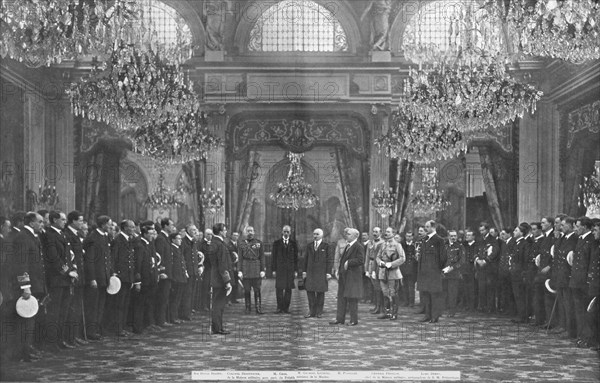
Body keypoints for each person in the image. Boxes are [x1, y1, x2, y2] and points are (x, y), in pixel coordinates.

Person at [11, 212, 46, 361]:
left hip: (35, 284)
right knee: (25, 321)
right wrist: (25, 286)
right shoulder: (23, 237)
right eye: (41, 222)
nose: (43, 224)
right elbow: (21, 264)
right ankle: (22, 353)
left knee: (30, 320)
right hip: (27, 287)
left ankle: (27, 349)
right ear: (32, 223)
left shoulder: (31, 236)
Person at [44, 211, 75, 349]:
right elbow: (54, 258)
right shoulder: (49, 235)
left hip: (65, 280)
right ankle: (51, 342)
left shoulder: (62, 234)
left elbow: (67, 256)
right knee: (54, 312)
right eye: (62, 219)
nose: (64, 222)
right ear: (54, 220)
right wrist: (67, 272)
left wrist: (72, 270)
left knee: (63, 311)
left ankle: (60, 339)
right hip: (57, 279)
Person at [83, 215, 113, 340]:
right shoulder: (93, 238)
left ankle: (98, 329)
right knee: (93, 306)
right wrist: (92, 278)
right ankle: (91, 331)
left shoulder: (105, 236)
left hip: (104, 276)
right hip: (96, 277)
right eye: (109, 224)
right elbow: (90, 260)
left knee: (101, 305)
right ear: (103, 224)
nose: (111, 226)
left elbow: (107, 258)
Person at [330, 228, 364, 326]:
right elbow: (342, 260)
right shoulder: (347, 245)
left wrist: (349, 262)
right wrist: (338, 271)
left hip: (353, 277)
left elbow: (361, 260)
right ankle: (339, 319)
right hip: (344, 276)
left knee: (352, 299)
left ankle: (354, 320)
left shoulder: (358, 246)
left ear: (355, 236)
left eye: (349, 234)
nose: (346, 235)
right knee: (341, 298)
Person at [417, 220, 447, 323]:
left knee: (434, 295)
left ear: (433, 227)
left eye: (427, 227)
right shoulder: (425, 239)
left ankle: (435, 316)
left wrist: (438, 270)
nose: (425, 229)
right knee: (426, 294)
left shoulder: (439, 240)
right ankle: (427, 315)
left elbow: (443, 257)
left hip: (434, 273)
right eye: (425, 226)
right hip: (424, 272)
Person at [110, 220, 135, 336]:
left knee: (125, 304)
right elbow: (114, 258)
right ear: (125, 228)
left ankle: (122, 327)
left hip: (127, 276)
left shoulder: (128, 240)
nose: (133, 229)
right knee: (119, 304)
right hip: (120, 276)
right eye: (131, 227)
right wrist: (114, 273)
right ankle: (117, 329)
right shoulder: (118, 240)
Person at [207, 223, 233, 335]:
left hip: (215, 277)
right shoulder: (220, 244)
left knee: (218, 304)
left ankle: (217, 327)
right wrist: (227, 281)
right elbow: (222, 265)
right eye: (225, 230)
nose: (226, 232)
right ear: (221, 232)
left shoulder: (214, 243)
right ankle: (217, 328)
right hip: (220, 279)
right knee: (219, 305)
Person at [375, 227, 405, 320]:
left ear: (393, 233)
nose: (386, 233)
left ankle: (394, 313)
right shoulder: (383, 244)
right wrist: (380, 262)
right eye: (386, 232)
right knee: (385, 293)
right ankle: (387, 312)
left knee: (393, 293)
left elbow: (402, 258)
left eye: (388, 232)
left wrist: (391, 264)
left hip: (393, 273)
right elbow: (378, 256)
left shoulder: (397, 245)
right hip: (382, 272)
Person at [303, 228, 333, 318]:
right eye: (314, 234)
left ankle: (319, 312)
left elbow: (329, 260)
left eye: (317, 234)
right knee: (310, 292)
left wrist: (328, 272)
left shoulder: (326, 246)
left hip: (321, 273)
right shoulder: (309, 246)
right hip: (310, 273)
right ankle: (311, 311)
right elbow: (305, 259)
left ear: (321, 236)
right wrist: (304, 271)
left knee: (320, 293)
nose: (315, 236)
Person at [238, 226, 265, 314]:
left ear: (254, 232)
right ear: (245, 233)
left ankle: (258, 307)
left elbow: (262, 257)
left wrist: (262, 270)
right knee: (247, 290)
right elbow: (240, 258)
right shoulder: (241, 244)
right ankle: (247, 307)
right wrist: (240, 270)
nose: (250, 233)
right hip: (246, 268)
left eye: (251, 231)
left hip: (256, 267)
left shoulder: (259, 243)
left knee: (257, 289)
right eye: (248, 231)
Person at [272, 225, 298, 314]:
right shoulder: (276, 243)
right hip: (280, 270)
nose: (286, 233)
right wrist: (274, 270)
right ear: (282, 232)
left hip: (290, 270)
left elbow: (296, 258)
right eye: (284, 231)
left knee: (288, 289)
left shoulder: (293, 243)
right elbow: (273, 257)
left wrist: (296, 270)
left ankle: (286, 308)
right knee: (279, 289)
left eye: (288, 232)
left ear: (290, 233)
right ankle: (279, 307)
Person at [154, 218, 176, 327]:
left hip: (168, 273)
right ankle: (160, 321)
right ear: (165, 226)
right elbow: (159, 258)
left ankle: (163, 320)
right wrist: (160, 272)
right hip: (164, 274)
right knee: (161, 298)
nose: (172, 227)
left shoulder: (165, 238)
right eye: (171, 225)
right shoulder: (160, 239)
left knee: (165, 298)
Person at [443, 230, 465, 318]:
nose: (453, 237)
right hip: (444, 273)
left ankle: (452, 311)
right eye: (451, 236)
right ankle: (444, 309)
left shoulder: (459, 246)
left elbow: (462, 260)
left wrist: (452, 268)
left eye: (455, 236)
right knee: (444, 292)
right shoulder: (444, 246)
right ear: (448, 236)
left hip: (454, 273)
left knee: (453, 293)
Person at [169, 232, 188, 325]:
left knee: (178, 298)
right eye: (178, 239)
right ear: (173, 240)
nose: (180, 240)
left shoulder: (178, 249)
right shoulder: (172, 249)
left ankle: (175, 316)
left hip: (181, 277)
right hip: (176, 278)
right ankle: (172, 317)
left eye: (181, 239)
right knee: (174, 299)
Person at [364, 227, 384, 314]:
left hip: (378, 266)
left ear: (381, 233)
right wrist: (366, 269)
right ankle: (376, 306)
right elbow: (367, 256)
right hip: (371, 264)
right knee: (375, 287)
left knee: (379, 287)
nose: (374, 233)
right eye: (373, 232)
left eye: (376, 232)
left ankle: (380, 307)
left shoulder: (383, 243)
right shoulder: (370, 242)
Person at [400, 231, 418, 307]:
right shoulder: (402, 245)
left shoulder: (415, 245)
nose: (408, 237)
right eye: (407, 236)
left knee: (411, 286)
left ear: (412, 237)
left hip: (412, 269)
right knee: (405, 285)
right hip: (404, 268)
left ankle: (411, 302)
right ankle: (405, 301)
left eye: (410, 236)